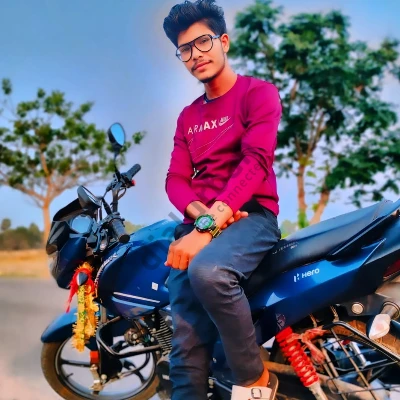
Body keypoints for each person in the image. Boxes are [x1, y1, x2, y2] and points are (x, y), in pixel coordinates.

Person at [162, 0, 282, 399]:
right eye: (184, 49)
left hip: (253, 218)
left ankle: (255, 382)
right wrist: (206, 221)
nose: (195, 54)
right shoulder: (188, 116)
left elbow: (256, 161)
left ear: (223, 41)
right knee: (184, 342)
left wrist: (211, 224)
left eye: (203, 42)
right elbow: (176, 180)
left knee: (209, 273)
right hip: (203, 225)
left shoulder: (258, 93)